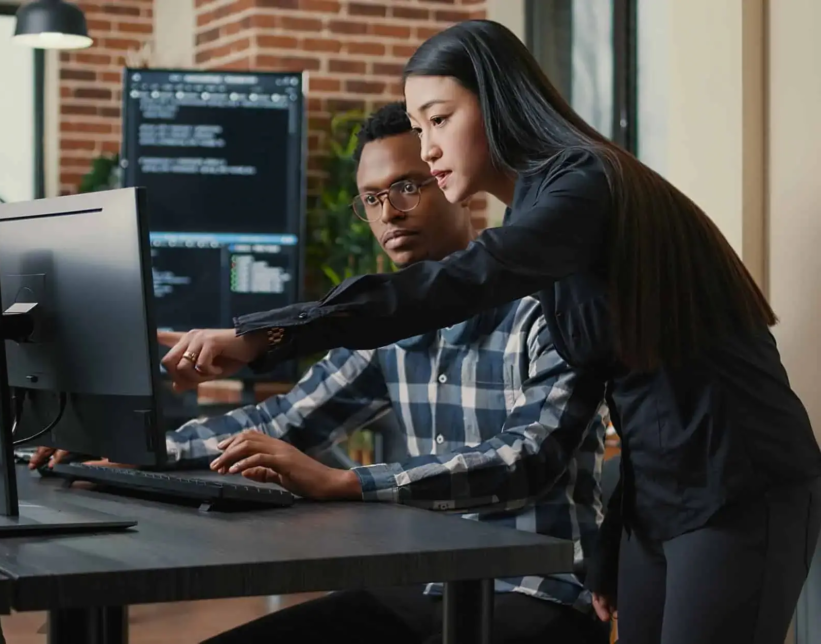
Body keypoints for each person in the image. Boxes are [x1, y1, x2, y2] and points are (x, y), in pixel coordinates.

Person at [159, 20, 821, 644]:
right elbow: (640, 391)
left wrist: (265, 333)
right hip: (657, 498)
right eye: (419, 128)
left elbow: (464, 280)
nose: (428, 148)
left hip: (741, 484)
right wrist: (615, 536)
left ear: (500, 104)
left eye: (440, 120)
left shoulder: (581, 186)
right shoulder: (548, 211)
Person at [35, 102, 611, 644]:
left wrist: (349, 481)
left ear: (453, 180)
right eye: (372, 198)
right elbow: (284, 420)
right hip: (424, 584)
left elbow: (528, 458)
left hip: (542, 591)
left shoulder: (547, 303)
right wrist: (129, 451)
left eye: (407, 187)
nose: (390, 213)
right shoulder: (389, 322)